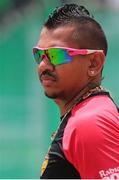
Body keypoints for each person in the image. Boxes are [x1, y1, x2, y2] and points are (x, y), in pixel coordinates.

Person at [32, 3, 119, 179]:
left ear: (94, 63)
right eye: (40, 55)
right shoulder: (89, 113)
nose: (43, 65)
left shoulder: (90, 122)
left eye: (56, 55)